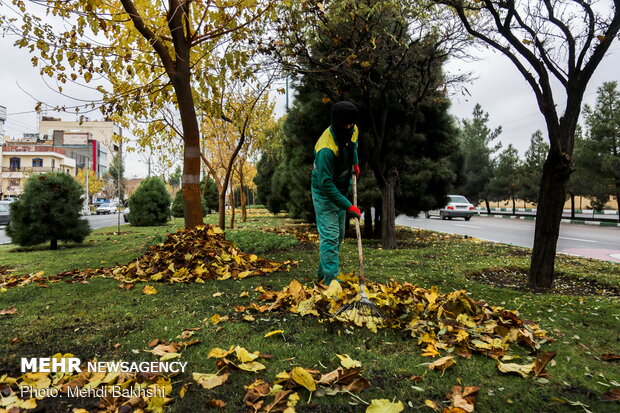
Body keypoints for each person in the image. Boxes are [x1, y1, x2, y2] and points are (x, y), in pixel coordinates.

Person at [311, 101, 362, 284]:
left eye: (351, 124)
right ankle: (332, 286)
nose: (348, 127)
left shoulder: (353, 128)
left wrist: (354, 162)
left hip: (341, 189)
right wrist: (349, 206)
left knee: (337, 236)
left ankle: (320, 279)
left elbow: (354, 144)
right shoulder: (326, 148)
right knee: (331, 237)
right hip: (325, 193)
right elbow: (326, 185)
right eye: (345, 124)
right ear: (336, 122)